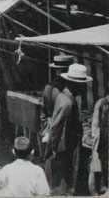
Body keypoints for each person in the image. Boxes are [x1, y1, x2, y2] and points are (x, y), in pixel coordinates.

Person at [45, 62, 92, 195]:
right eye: (82, 84)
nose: (84, 88)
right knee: (62, 177)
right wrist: (52, 149)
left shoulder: (68, 96)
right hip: (63, 145)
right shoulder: (66, 102)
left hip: (65, 144)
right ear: (76, 84)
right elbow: (57, 126)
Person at [90, 90, 109, 195]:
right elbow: (95, 125)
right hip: (101, 139)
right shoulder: (101, 103)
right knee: (98, 168)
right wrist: (94, 138)